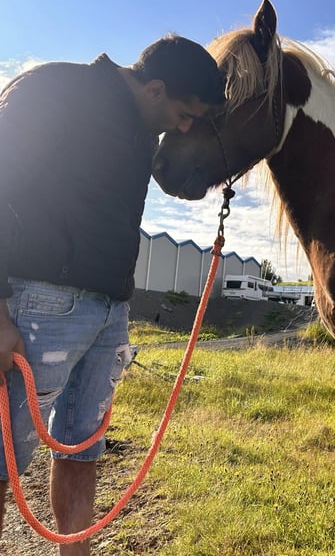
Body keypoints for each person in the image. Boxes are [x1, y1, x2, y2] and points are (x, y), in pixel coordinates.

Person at [0, 35, 225, 555]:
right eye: (185, 114)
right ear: (154, 88)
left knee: (83, 452)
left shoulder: (142, 128)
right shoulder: (54, 88)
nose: (185, 128)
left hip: (110, 315)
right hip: (36, 303)